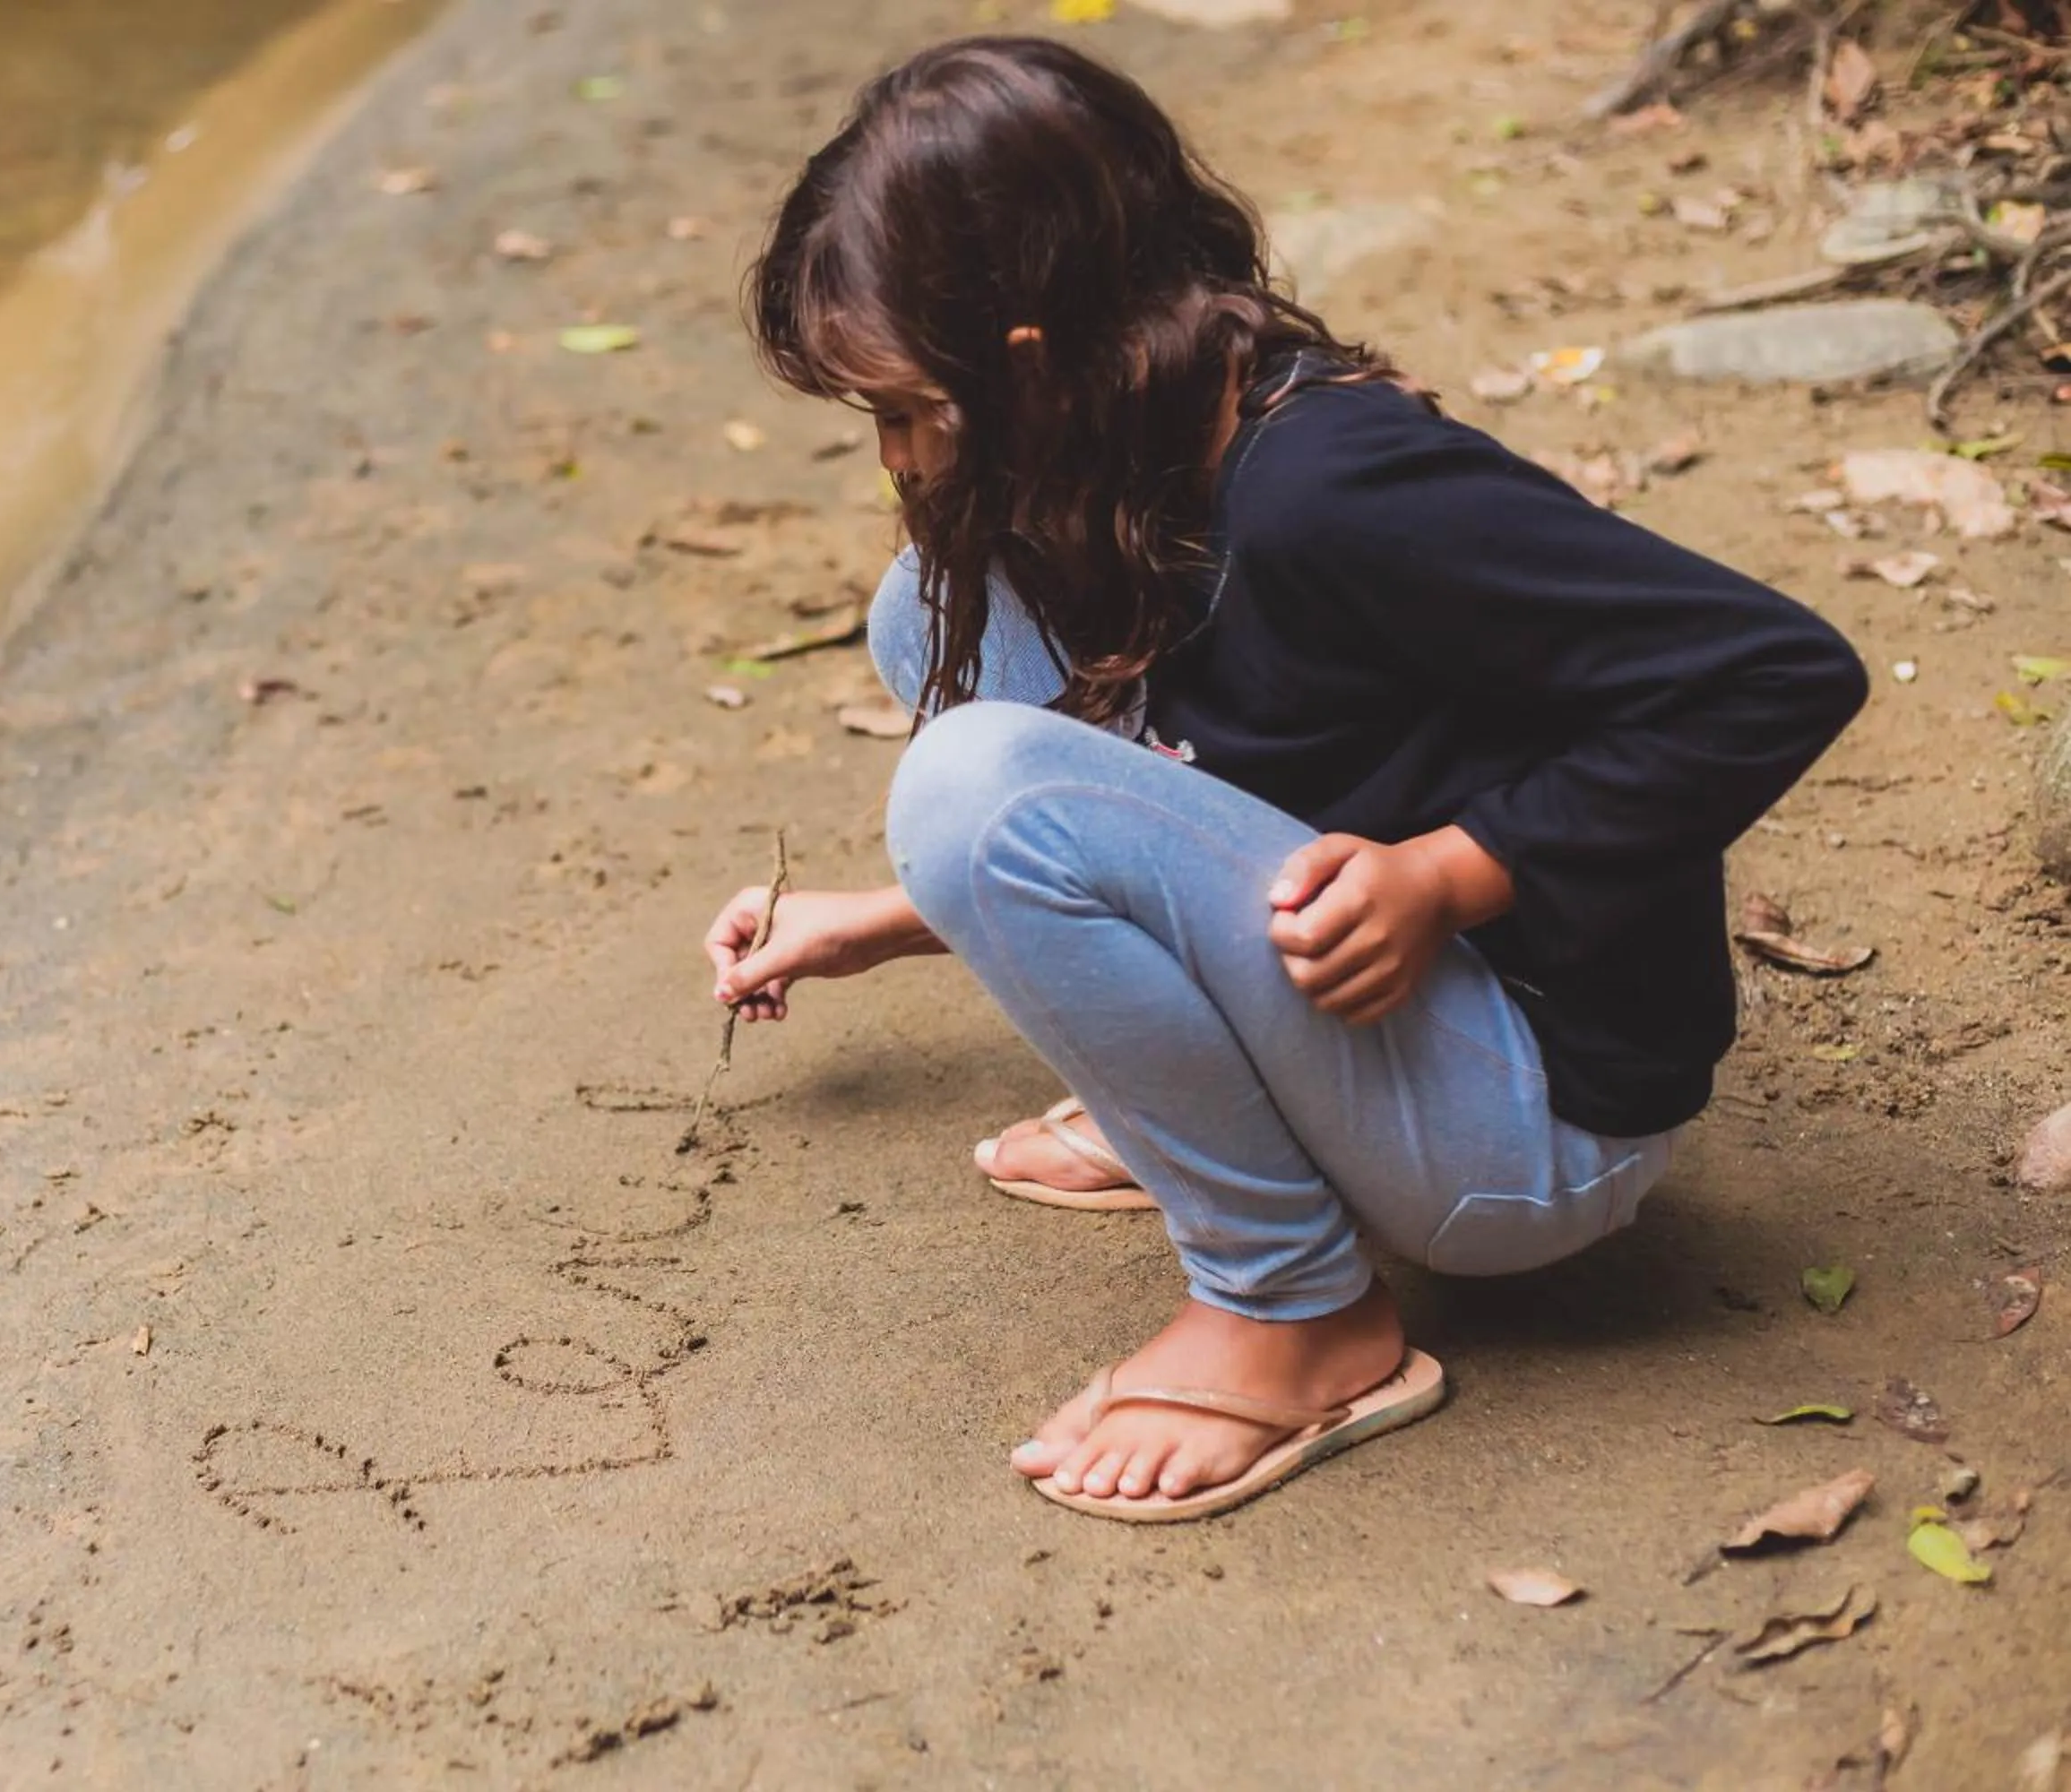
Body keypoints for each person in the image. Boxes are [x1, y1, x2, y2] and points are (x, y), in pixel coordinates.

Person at [698, 36, 1868, 1524]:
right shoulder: (1145, 444)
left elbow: (1775, 671)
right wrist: (891, 913)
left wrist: (1453, 874)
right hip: (1380, 1019)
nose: (895, 461)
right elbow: (1230, 773)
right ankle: (1206, 1117)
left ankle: (1300, 1314)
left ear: (1031, 361)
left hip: (1532, 1125)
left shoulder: (1336, 484)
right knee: (929, 602)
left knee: (968, 774)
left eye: (907, 411)